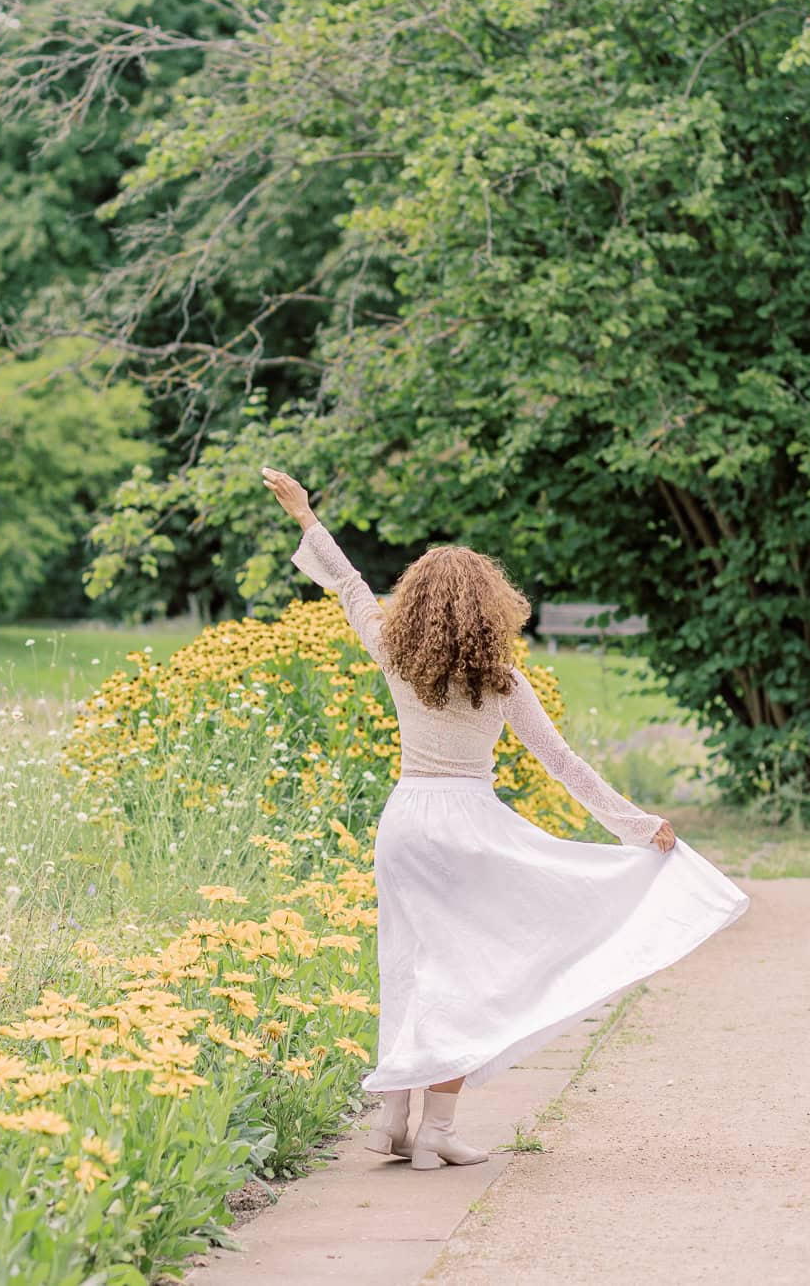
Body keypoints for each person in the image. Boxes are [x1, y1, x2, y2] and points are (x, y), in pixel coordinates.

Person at [261, 466, 751, 1171]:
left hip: (405, 820)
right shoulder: (503, 681)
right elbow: (562, 762)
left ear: (417, 606)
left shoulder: (394, 656)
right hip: (467, 824)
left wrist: (306, 515)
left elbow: (351, 586)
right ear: (492, 609)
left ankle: (391, 1119)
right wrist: (635, 826)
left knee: (407, 963)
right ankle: (436, 1129)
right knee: (464, 972)